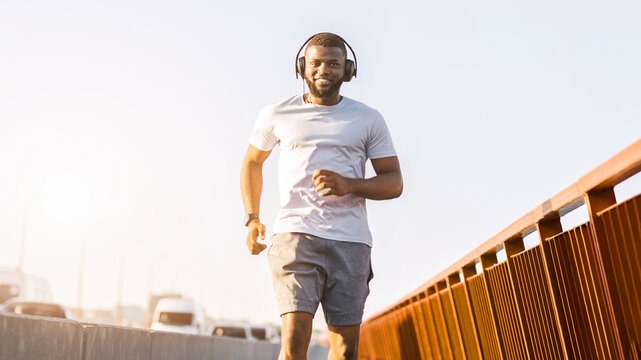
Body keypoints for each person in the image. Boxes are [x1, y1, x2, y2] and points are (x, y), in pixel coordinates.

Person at [240, 32, 403, 360]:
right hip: (295, 236)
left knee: (344, 351)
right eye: (315, 62)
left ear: (348, 70)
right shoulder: (277, 114)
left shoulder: (368, 119)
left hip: (351, 242)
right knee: (295, 340)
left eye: (333, 63)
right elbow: (252, 163)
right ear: (302, 66)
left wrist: (350, 184)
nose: (323, 69)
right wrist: (253, 218)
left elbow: (394, 182)